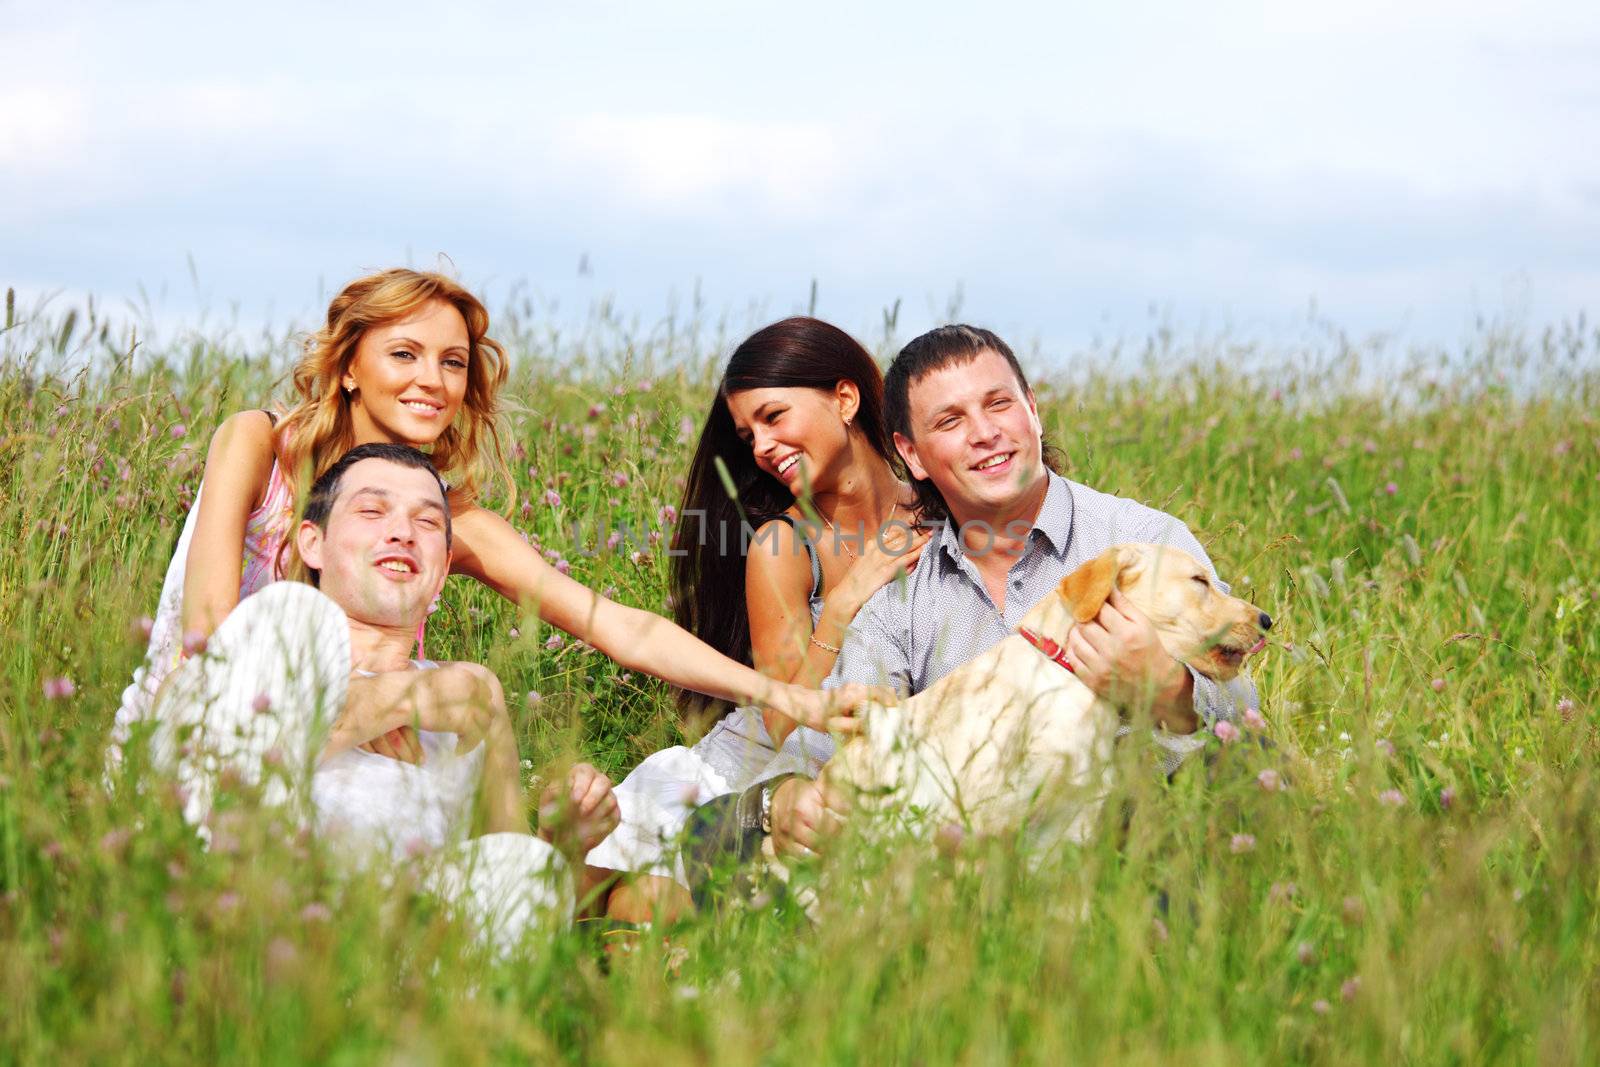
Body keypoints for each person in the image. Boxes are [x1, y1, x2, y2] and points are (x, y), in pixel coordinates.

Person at [111, 270, 867, 774]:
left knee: (459, 714)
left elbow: (621, 628)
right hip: (208, 725)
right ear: (348, 366)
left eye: (452, 362)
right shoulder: (256, 444)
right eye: (403, 353)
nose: (431, 381)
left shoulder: (448, 518)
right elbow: (205, 636)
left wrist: (785, 696)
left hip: (356, 740)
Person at [755, 324, 1261, 858]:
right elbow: (822, 741)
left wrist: (1168, 688)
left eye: (999, 404)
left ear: (1033, 411)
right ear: (913, 455)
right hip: (978, 879)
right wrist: (784, 798)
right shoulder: (899, 600)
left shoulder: (1145, 542)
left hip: (1150, 860)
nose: (984, 433)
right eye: (950, 421)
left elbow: (1247, 720)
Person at [150, 444, 618, 954]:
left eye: (427, 522)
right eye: (372, 511)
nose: (402, 533)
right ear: (312, 543)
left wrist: (563, 844)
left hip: (408, 964)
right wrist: (404, 697)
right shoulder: (254, 653)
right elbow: (194, 763)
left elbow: (508, 872)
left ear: (441, 571)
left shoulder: (472, 695)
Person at [586, 318, 927, 920]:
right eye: (748, 436)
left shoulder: (934, 510)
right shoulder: (781, 545)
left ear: (844, 399)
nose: (762, 446)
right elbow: (779, 719)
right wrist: (845, 603)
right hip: (744, 780)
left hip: (856, 786)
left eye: (774, 417)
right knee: (632, 912)